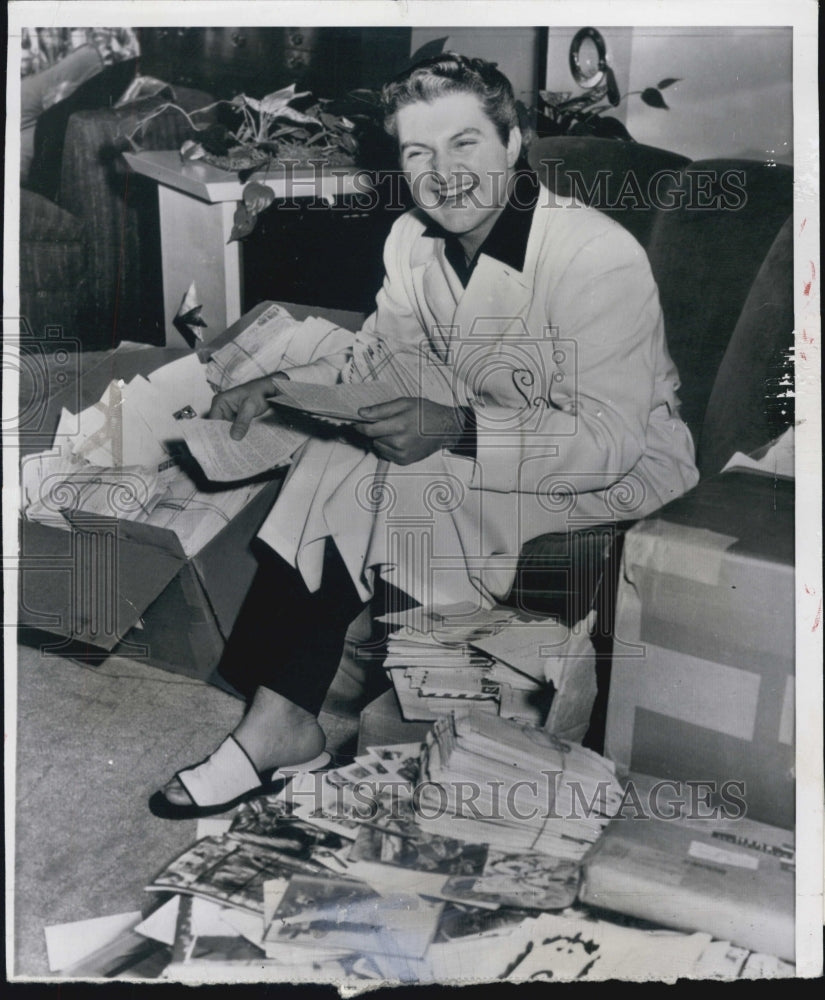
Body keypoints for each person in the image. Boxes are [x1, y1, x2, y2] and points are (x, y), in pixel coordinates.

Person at [150, 53, 698, 819]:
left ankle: (414, 733)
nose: (444, 174)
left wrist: (455, 428)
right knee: (342, 449)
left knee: (402, 476)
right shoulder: (413, 239)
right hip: (482, 429)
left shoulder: (596, 256)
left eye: (464, 143)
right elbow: (382, 357)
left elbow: (607, 439)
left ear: (512, 144)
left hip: (614, 466)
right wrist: (282, 387)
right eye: (418, 153)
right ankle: (279, 722)